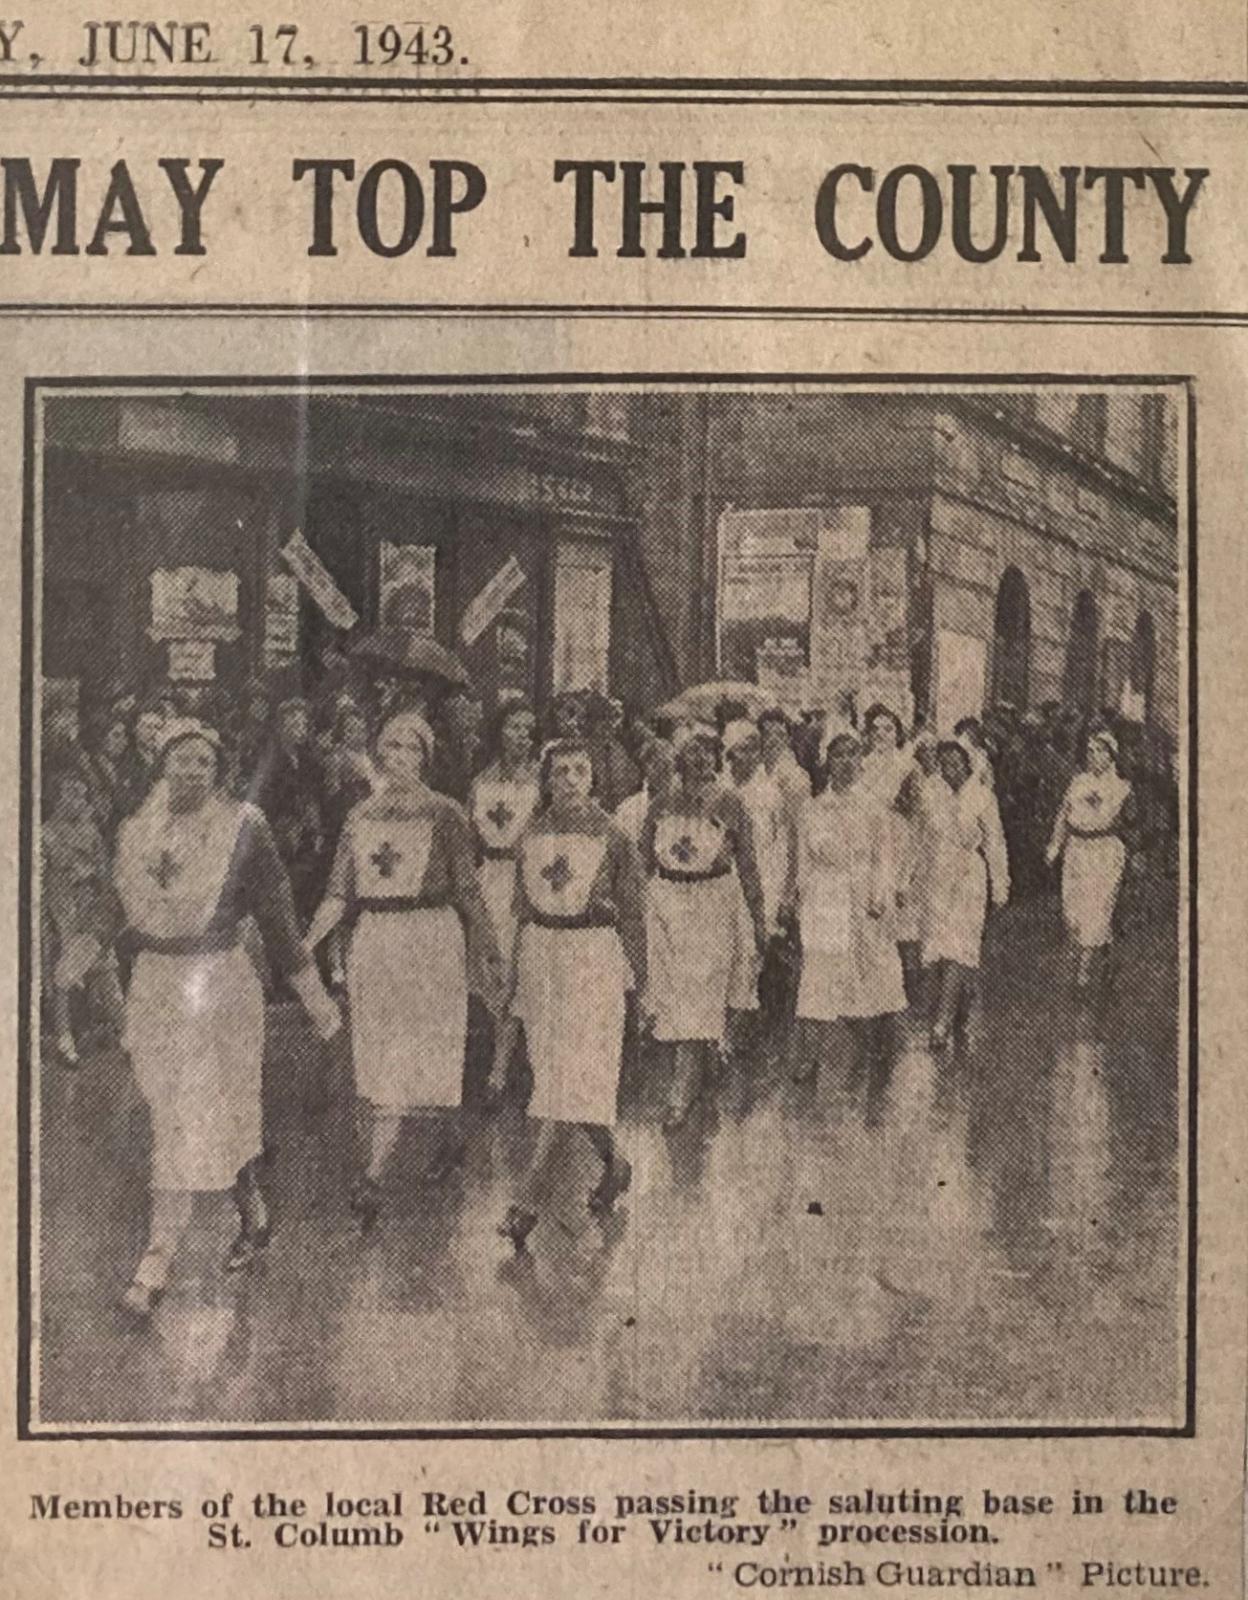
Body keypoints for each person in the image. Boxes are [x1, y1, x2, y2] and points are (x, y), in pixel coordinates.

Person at [113, 720, 340, 1319]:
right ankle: (253, 1209)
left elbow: (280, 922)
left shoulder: (244, 828)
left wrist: (317, 1003)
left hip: (218, 986)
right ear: (160, 764)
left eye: (203, 762)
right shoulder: (136, 833)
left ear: (219, 770)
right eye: (180, 760)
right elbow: (119, 913)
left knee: (192, 1116)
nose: (192, 771)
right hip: (156, 986)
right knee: (177, 1109)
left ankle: (156, 1259)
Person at [306, 710, 503, 1230]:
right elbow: (338, 891)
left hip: (430, 940)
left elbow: (466, 890)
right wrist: (308, 942)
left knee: (426, 1050)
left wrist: (487, 948)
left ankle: (372, 1175)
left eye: (409, 748)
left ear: (426, 758)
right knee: (382, 1054)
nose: (397, 758)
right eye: (389, 747)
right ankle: (447, 1139)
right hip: (375, 941)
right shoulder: (360, 817)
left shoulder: (447, 814)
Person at [494, 739, 646, 1249]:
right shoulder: (530, 835)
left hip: (592, 961)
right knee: (563, 1082)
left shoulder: (616, 838)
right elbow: (521, 913)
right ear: (547, 780)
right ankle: (616, 1163)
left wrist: (641, 985)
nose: (571, 780)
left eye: (581, 770)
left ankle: (526, 1204)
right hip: (542, 957)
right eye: (561, 772)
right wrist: (512, 979)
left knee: (566, 1081)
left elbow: (634, 918)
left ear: (594, 777)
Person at [640, 727, 766, 1127]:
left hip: (712, 903)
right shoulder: (661, 803)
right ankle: (698, 1063)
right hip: (668, 903)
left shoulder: (731, 803)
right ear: (678, 759)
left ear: (716, 758)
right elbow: (645, 859)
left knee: (701, 987)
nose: (698, 760)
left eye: (706, 753)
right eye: (690, 753)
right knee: (674, 991)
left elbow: (748, 865)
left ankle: (681, 1088)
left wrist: (758, 919)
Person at [786, 733, 908, 1087]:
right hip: (825, 898)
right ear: (828, 762)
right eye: (838, 756)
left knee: (867, 972)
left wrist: (879, 896)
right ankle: (809, 1057)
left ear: (860, 762)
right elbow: (804, 861)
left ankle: (874, 1044)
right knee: (818, 975)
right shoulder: (813, 808)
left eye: (853, 756)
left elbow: (884, 858)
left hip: (862, 897)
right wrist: (799, 899)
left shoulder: (872, 807)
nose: (846, 763)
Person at [921, 740, 1011, 1050]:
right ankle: (956, 1009)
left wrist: (1000, 885)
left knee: (959, 946)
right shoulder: (932, 795)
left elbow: (995, 843)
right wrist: (908, 881)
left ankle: (942, 1023)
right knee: (938, 952)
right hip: (938, 877)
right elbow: (923, 841)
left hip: (970, 878)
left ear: (967, 763)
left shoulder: (983, 797)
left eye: (956, 762)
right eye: (944, 764)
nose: (950, 769)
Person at [469, 699, 541, 1086]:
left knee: (519, 967)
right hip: (489, 880)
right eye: (515, 727)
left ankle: (500, 1069)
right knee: (490, 967)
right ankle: (508, 1054)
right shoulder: (479, 783)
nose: (522, 737)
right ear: (500, 731)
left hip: (524, 880)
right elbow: (469, 841)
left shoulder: (538, 783)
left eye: (529, 730)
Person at [42, 767, 124, 1064]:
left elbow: (105, 877)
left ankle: (127, 1035)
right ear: (57, 798)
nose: (78, 800)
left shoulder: (91, 833)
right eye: (71, 793)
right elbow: (41, 886)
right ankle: (65, 1040)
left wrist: (104, 906)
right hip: (65, 916)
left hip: (92, 916)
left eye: (82, 794)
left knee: (107, 976)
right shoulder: (45, 836)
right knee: (64, 980)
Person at [722, 718, 795, 1052]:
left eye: (753, 748)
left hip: (760, 884)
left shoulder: (770, 795)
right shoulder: (720, 791)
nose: (747, 756)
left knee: (752, 955)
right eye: (740, 750)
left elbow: (782, 849)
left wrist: (782, 896)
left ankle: (738, 1033)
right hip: (722, 886)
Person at [1045, 728, 1136, 989]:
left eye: (1100, 751)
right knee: (1073, 911)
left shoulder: (1122, 787)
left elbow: (1133, 825)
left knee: (1097, 908)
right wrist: (1054, 846)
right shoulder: (1078, 783)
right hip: (1077, 850)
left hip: (1105, 852)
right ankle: (1106, 952)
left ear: (1112, 755)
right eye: (1090, 751)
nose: (1094, 756)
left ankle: (1083, 973)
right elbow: (1063, 815)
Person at [250, 694, 329, 923]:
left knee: (308, 886)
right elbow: (263, 801)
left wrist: (315, 826)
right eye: (294, 723)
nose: (300, 729)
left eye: (303, 723)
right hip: (279, 836)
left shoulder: (309, 760)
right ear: (283, 725)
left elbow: (316, 797)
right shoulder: (271, 760)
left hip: (307, 836)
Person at [759, 707, 810, 803]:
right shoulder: (755, 771)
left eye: (780, 735)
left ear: (788, 740)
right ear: (761, 739)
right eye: (768, 734)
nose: (773, 740)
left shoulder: (798, 777)